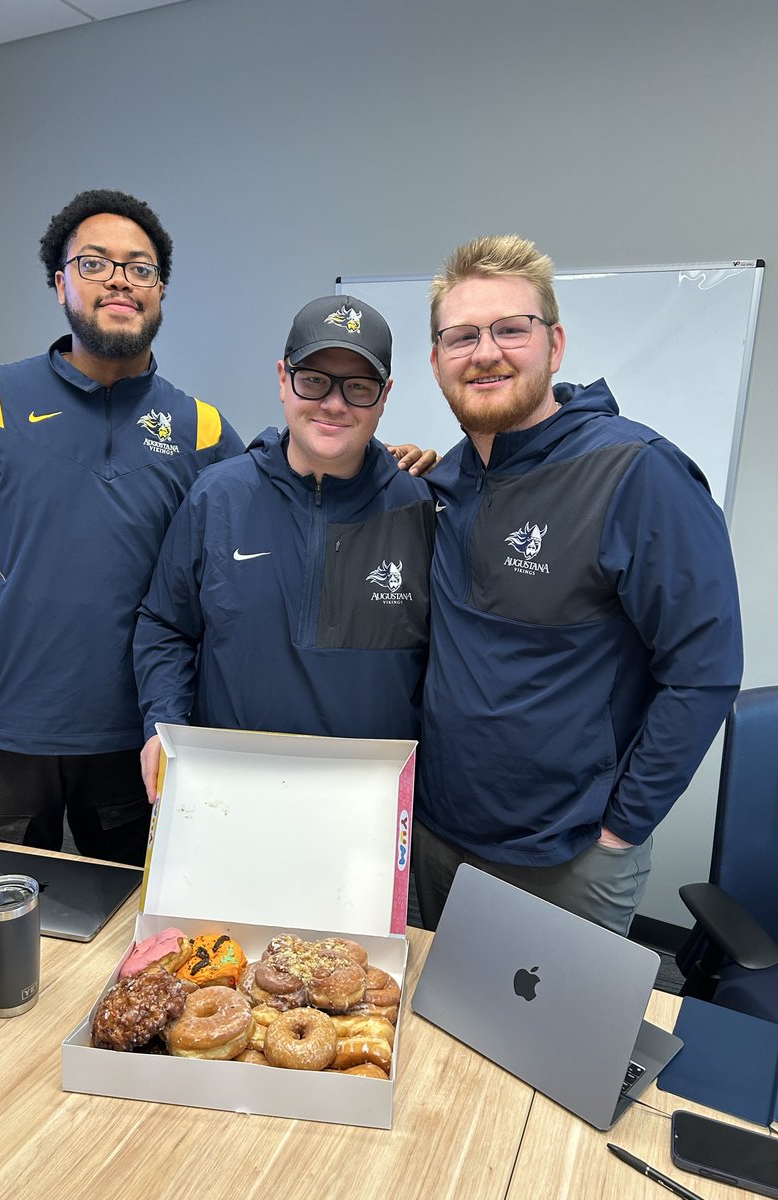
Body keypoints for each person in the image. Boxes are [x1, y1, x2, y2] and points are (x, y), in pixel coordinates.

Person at [413, 234, 743, 935]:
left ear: (554, 345)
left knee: (548, 1048)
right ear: (437, 359)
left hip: (568, 860)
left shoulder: (637, 473)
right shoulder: (449, 480)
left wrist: (621, 830)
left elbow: (704, 671)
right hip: (440, 838)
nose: (486, 351)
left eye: (511, 328)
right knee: (429, 1040)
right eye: (462, 335)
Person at [0, 189, 248, 864]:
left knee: (130, 936)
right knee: (5, 923)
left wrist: (383, 462)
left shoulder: (201, 428)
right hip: (1, 729)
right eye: (95, 263)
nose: (120, 278)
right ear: (58, 281)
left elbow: (280, 487)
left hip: (132, 736)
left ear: (160, 291)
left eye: (140, 267)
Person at [134, 295, 435, 802]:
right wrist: (162, 723)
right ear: (283, 379)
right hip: (228, 788)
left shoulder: (421, 508)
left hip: (370, 803)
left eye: (358, 387)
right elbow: (166, 624)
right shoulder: (218, 496)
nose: (334, 403)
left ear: (384, 397)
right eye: (314, 380)